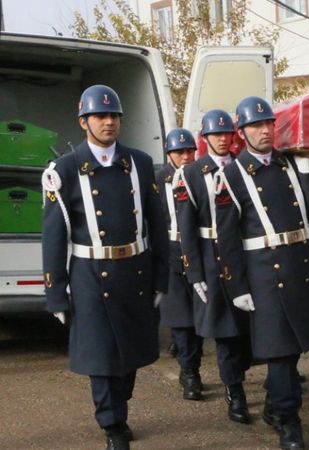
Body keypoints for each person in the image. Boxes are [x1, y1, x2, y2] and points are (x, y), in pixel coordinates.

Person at [41, 85, 169, 450]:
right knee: (102, 357)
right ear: (84, 122)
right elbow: (53, 237)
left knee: (129, 356)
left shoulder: (140, 163)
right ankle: (113, 425)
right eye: (100, 116)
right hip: (90, 276)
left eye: (114, 116)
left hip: (135, 271)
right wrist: (57, 294)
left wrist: (162, 275)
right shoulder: (65, 170)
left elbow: (157, 224)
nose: (109, 122)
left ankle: (118, 405)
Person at [214, 96, 309, 449]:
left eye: (268, 124)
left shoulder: (290, 164)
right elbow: (227, 237)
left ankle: (273, 404)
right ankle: (288, 419)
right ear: (242, 132)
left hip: (301, 265)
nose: (265, 131)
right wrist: (237, 286)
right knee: (279, 350)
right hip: (266, 271)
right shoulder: (231, 175)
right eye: (256, 126)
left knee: (295, 348)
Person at [173, 109, 252, 424]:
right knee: (226, 331)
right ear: (204, 138)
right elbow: (186, 228)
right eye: (215, 134)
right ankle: (235, 391)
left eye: (227, 133)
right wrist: (193, 272)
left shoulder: (243, 167)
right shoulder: (190, 174)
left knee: (250, 329)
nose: (222, 139)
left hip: (245, 254)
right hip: (210, 257)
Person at [157, 128, 204, 401]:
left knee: (200, 312)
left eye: (190, 151)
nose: (186, 157)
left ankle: (192, 362)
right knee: (180, 317)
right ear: (169, 154)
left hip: (197, 249)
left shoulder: (200, 175)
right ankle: (189, 372)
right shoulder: (158, 179)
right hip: (170, 250)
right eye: (179, 152)